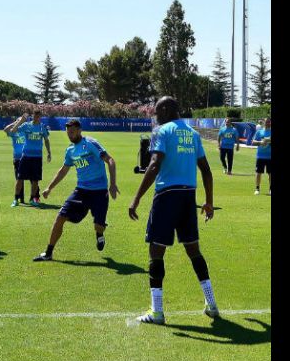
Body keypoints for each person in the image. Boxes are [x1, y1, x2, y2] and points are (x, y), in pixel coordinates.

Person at [128, 96, 219, 325]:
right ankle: (211, 303)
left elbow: (155, 164)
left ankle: (157, 312)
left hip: (167, 196)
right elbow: (206, 171)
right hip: (189, 196)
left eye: (157, 110)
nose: (156, 115)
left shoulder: (162, 131)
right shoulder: (193, 134)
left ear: (167, 109)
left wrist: (136, 198)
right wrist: (208, 202)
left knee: (156, 252)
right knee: (194, 250)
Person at [33, 119, 119, 260]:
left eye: (72, 132)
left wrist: (113, 184)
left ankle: (100, 233)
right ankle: (48, 253)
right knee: (60, 217)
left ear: (79, 130)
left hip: (99, 192)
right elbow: (63, 170)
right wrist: (49, 188)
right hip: (81, 191)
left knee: (98, 226)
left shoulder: (90, 143)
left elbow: (110, 160)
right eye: (68, 132)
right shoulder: (70, 151)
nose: (70, 135)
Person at [8, 110, 51, 206]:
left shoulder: (42, 127)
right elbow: (12, 131)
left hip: (37, 157)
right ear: (32, 116)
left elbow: (46, 140)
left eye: (38, 116)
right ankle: (15, 199)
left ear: (40, 117)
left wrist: (49, 152)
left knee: (35, 180)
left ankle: (32, 199)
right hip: (26, 156)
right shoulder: (26, 125)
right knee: (20, 178)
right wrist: (21, 121)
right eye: (35, 116)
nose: (37, 118)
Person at [3, 114, 28, 207]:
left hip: (27, 157)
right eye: (19, 121)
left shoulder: (25, 131)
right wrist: (16, 122)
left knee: (33, 179)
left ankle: (35, 198)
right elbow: (5, 129)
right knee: (19, 179)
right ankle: (20, 198)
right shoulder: (13, 132)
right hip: (17, 158)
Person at [253, 117, 271, 195]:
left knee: (270, 173)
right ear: (263, 122)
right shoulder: (259, 132)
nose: (267, 123)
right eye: (266, 122)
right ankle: (257, 189)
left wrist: (268, 140)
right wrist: (260, 142)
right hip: (260, 156)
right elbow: (253, 142)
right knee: (258, 173)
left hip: (270, 157)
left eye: (269, 122)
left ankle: (270, 189)